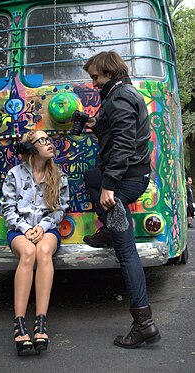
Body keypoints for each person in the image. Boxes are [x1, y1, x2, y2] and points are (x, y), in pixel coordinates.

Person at [82, 51, 161, 348]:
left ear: (108, 72)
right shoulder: (120, 94)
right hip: (130, 175)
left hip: (128, 179)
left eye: (95, 77)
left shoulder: (119, 98)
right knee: (90, 178)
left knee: (127, 252)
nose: (93, 83)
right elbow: (117, 134)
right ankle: (111, 227)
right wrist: (96, 127)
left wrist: (110, 186)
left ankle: (144, 323)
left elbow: (126, 143)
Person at [0, 130, 69, 355]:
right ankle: (19, 324)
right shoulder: (15, 175)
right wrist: (27, 228)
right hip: (20, 231)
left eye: (49, 140)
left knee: (44, 250)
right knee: (29, 252)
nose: (49, 143)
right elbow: (8, 210)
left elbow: (60, 210)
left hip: (47, 229)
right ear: (31, 148)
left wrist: (42, 226)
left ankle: (40, 322)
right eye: (43, 140)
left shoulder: (58, 175)